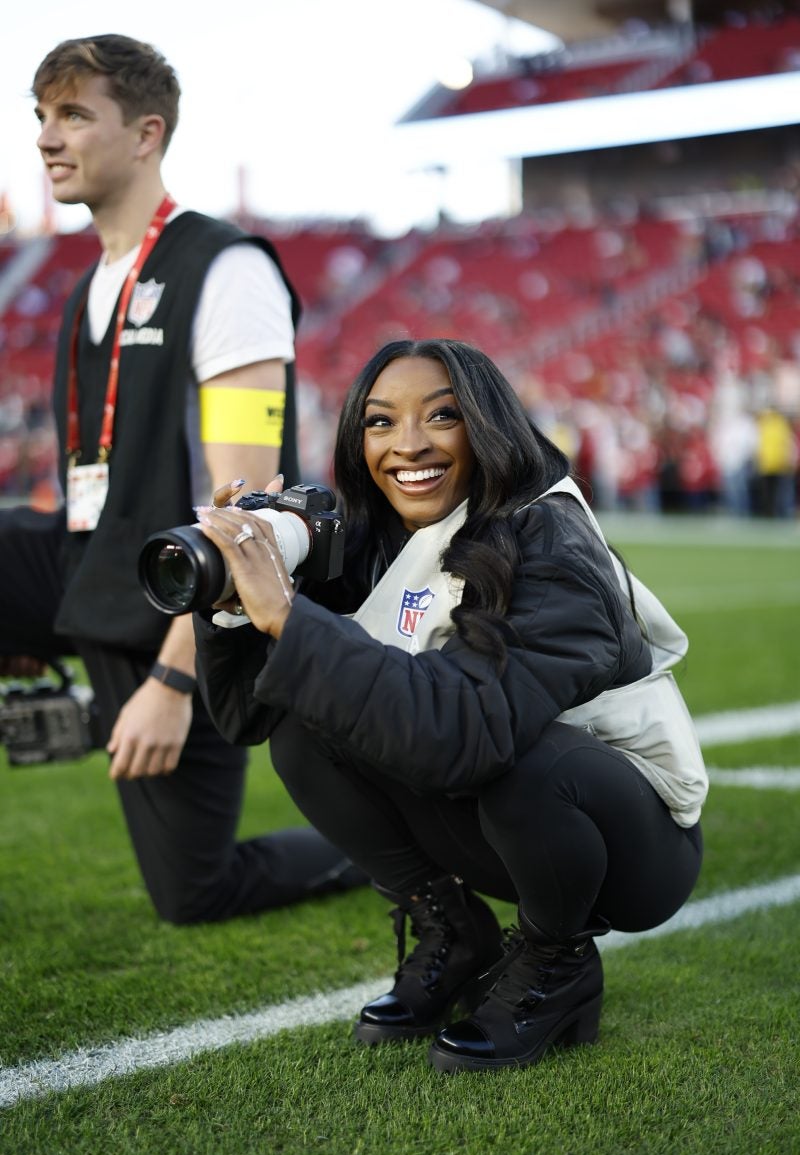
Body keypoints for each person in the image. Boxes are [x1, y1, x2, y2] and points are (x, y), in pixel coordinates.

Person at [191, 337, 708, 1073]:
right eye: (379, 423)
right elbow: (249, 715)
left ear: (487, 425)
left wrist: (291, 618)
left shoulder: (551, 542)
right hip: (492, 816)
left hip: (629, 843)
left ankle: (557, 959)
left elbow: (470, 735)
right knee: (305, 724)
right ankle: (455, 931)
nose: (407, 445)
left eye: (441, 416)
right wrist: (232, 604)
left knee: (531, 762)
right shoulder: (379, 538)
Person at [0, 34, 364, 924]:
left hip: (183, 591)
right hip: (91, 559)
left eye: (75, 115)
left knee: (192, 891)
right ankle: (83, 694)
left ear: (146, 133)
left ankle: (386, 843)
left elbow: (248, 517)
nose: (48, 136)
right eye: (41, 116)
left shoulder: (226, 271)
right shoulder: (88, 282)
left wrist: (170, 686)